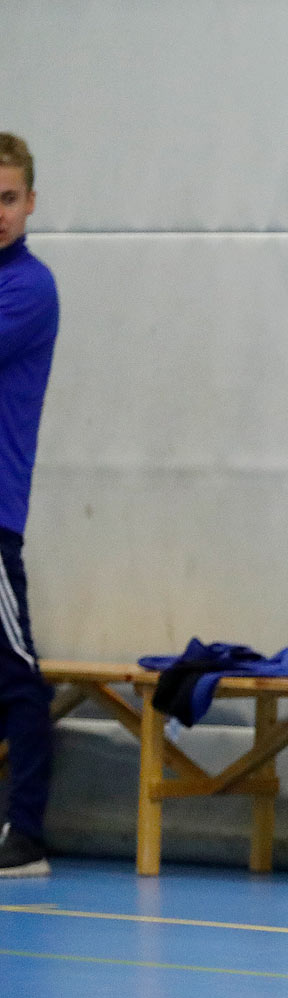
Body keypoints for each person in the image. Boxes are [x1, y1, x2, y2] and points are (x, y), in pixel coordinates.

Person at [0, 133, 59, 879]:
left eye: (8, 199)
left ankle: (30, 832)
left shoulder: (29, 288)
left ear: (31, 203)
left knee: (16, 671)